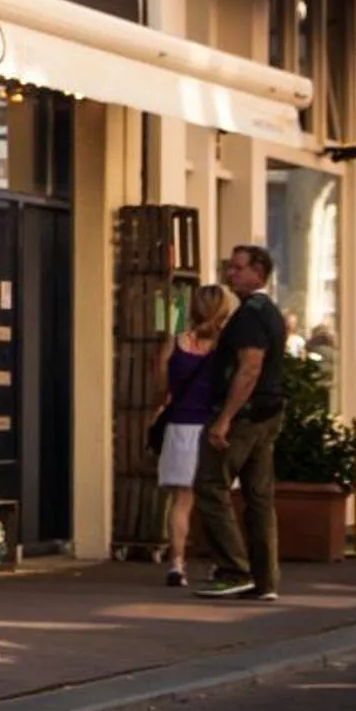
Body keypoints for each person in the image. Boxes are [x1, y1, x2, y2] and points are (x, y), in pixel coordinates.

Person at [194, 244, 290, 601]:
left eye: (237, 268)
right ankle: (265, 581)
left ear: (258, 272)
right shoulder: (271, 312)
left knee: (210, 485)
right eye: (229, 267)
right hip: (268, 413)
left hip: (246, 417)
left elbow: (250, 367)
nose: (230, 274)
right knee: (259, 497)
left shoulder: (250, 314)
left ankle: (234, 570)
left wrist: (224, 420)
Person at [154, 284, 235, 587]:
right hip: (213, 428)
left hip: (179, 427)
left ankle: (176, 564)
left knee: (181, 500)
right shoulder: (225, 349)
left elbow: (161, 390)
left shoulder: (174, 344)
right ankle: (219, 562)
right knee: (216, 499)